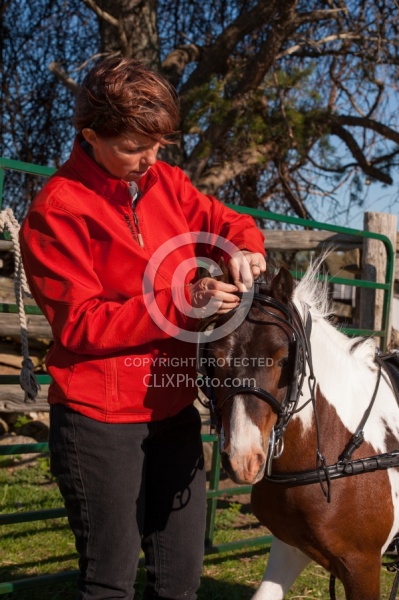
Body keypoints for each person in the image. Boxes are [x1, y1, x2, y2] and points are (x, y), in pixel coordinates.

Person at [19, 56, 266, 600]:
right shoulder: (56, 210)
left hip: (172, 409)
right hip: (99, 418)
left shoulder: (166, 183)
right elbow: (81, 325)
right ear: (89, 136)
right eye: (135, 147)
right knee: (110, 582)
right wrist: (180, 303)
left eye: (159, 145)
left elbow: (225, 221)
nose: (149, 159)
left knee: (180, 580)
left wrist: (245, 246)